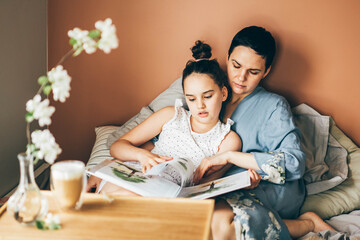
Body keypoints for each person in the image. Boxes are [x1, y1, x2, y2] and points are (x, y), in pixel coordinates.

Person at [192, 26, 334, 239]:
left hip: (270, 187)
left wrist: (230, 157)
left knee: (220, 225)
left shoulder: (274, 105)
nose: (241, 77)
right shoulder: (208, 94)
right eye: (236, 65)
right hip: (219, 187)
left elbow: (295, 163)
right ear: (227, 57)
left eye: (254, 72)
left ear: (266, 72)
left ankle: (307, 224)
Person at [99, 40, 260, 195]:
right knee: (119, 194)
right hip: (134, 177)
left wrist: (241, 184)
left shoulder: (228, 140)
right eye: (191, 99)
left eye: (207, 96)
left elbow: (208, 187)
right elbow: (117, 147)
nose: (200, 106)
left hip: (167, 194)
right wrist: (142, 155)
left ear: (223, 93)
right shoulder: (170, 115)